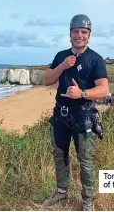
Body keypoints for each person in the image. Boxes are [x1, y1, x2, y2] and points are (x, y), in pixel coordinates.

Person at [42, 14, 109, 210]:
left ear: (89, 35)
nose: (79, 35)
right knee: (59, 154)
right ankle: (61, 192)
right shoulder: (60, 55)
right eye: (76, 31)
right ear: (70, 33)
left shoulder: (95, 59)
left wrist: (82, 93)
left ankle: (88, 200)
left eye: (84, 32)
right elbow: (47, 80)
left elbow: (104, 89)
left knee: (85, 160)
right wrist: (63, 66)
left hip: (83, 116)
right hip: (60, 115)